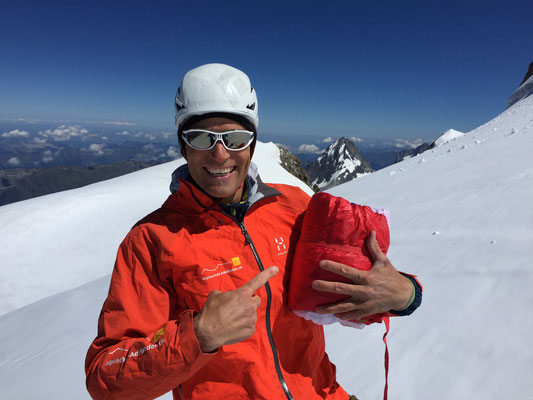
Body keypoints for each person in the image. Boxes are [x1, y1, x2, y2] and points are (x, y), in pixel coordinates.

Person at [85, 63, 422, 400]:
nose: (220, 154)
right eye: (201, 138)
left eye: (235, 138)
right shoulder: (151, 240)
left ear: (252, 143)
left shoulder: (295, 207)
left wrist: (404, 294)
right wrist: (198, 336)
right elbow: (106, 379)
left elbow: (352, 283)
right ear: (183, 146)